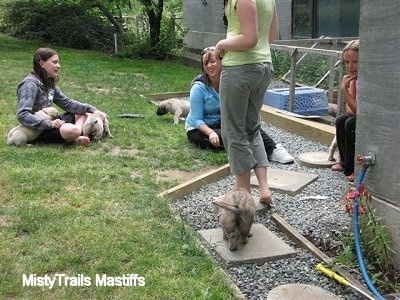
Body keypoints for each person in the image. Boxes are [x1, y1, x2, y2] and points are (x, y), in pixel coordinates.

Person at [214, 0, 279, 204]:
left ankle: (243, 196)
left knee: (234, 131)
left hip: (240, 69)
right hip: (263, 66)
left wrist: (221, 44)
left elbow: (249, 39)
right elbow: (272, 33)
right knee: (252, 127)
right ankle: (264, 189)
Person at [185, 46, 294, 165]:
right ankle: (253, 153)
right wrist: (211, 132)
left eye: (213, 61)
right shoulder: (198, 88)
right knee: (232, 138)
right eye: (205, 63)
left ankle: (273, 149)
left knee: (249, 126)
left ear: (221, 62)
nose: (209, 66)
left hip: (221, 122)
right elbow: (196, 119)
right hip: (199, 129)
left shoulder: (228, 82)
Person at [14, 47, 107, 145]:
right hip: (37, 130)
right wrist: (48, 124)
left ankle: (75, 136)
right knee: (72, 130)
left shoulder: (48, 82)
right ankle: (74, 137)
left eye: (58, 62)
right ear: (42, 64)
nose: (58, 66)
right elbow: (22, 115)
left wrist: (92, 109)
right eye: (54, 62)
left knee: (83, 113)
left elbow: (67, 103)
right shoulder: (29, 85)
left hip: (52, 122)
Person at [331, 40, 359, 182]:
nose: (350, 66)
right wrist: (350, 86)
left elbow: (357, 112)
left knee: (350, 123)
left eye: (355, 62)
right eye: (347, 62)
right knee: (341, 120)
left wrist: (344, 90)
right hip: (359, 115)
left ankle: (353, 169)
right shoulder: (354, 79)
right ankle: (344, 162)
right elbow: (350, 110)